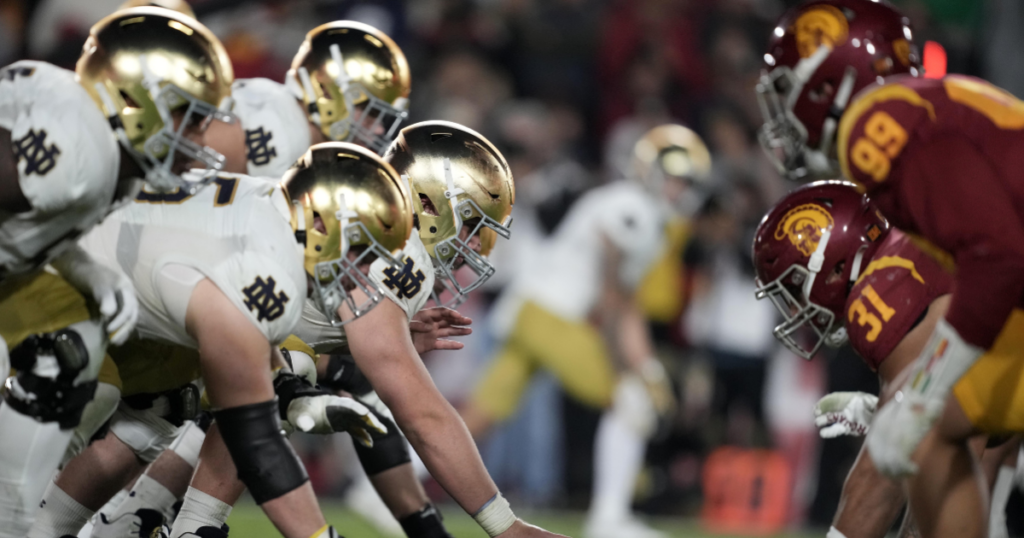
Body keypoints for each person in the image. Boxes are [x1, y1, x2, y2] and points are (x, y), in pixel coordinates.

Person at [757, 0, 1024, 488]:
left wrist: (919, 398)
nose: (785, 112)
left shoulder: (877, 126)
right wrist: (896, 405)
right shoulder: (933, 104)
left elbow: (999, 259)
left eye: (787, 89)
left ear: (825, 83)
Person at [0, 7, 233, 536]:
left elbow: (30, 230)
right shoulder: (74, 150)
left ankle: (13, 521)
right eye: (189, 115)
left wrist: (89, 273)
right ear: (135, 99)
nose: (199, 134)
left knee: (69, 352)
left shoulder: (114, 164)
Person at [459, 124, 711, 538]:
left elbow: (621, 302)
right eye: (675, 178)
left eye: (686, 181)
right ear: (651, 171)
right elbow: (615, 298)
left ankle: (380, 488)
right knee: (630, 401)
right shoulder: (633, 208)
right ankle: (609, 518)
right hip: (552, 314)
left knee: (480, 414)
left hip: (532, 310)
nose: (679, 189)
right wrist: (635, 369)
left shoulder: (636, 210)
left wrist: (644, 364)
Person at [752, 180, 1024, 538]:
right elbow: (985, 443)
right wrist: (901, 407)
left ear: (833, 268)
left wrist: (901, 419)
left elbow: (878, 481)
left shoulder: (882, 291)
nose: (794, 310)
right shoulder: (916, 243)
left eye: (794, 288)